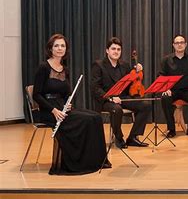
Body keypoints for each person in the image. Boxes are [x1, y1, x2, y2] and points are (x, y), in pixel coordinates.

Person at [33, 34, 110, 175]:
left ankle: (94, 160)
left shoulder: (65, 69)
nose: (59, 48)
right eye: (56, 45)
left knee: (95, 117)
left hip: (63, 109)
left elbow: (67, 93)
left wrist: (69, 104)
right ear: (50, 48)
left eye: (62, 45)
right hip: (49, 111)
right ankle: (75, 162)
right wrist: (54, 110)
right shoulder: (43, 67)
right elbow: (36, 95)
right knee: (85, 120)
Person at [90, 37, 151, 148]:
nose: (116, 51)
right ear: (107, 50)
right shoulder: (98, 65)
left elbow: (131, 83)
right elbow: (95, 88)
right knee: (117, 109)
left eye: (118, 49)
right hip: (106, 100)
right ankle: (118, 137)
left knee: (145, 105)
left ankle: (133, 137)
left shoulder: (125, 65)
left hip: (122, 98)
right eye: (113, 49)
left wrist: (137, 71)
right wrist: (110, 98)